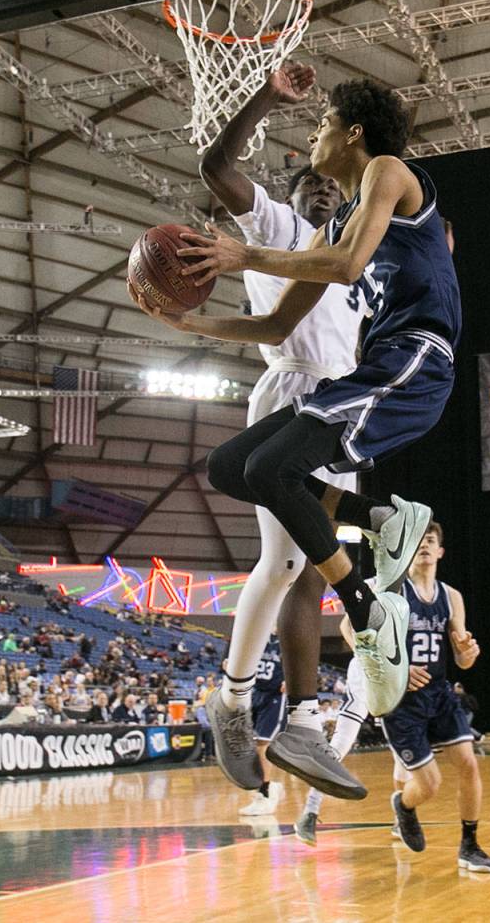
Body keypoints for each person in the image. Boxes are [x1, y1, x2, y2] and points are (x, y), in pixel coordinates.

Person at [137, 70, 459, 799]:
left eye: (322, 122)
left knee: (290, 540)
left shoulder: (386, 171)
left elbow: (345, 265)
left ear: (351, 132)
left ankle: (363, 613)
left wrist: (241, 258)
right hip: (349, 376)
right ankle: (377, 525)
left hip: (412, 362)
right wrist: (191, 324)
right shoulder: (326, 225)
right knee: (233, 467)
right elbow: (278, 323)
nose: (313, 135)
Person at [374, 523, 490, 872]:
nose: (425, 545)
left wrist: (468, 651)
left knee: (469, 764)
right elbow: (350, 630)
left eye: (431, 541)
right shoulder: (392, 591)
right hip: (401, 702)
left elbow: (462, 660)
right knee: (430, 784)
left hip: (439, 694)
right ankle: (405, 805)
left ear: (440, 551)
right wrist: (396, 668)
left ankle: (469, 845)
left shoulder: (451, 596)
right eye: (419, 541)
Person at [293, 618, 380, 845]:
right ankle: (310, 812)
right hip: (365, 672)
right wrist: (360, 651)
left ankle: (404, 811)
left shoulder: (409, 593)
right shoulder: (370, 585)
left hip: (397, 673)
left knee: (406, 754)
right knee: (339, 746)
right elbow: (344, 625)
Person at [236, 634, 288, 817]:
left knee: (262, 744)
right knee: (253, 745)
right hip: (254, 691)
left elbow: (303, 656)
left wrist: (292, 678)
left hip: (275, 695)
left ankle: (264, 794)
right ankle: (268, 787)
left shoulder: (287, 637)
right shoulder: (254, 634)